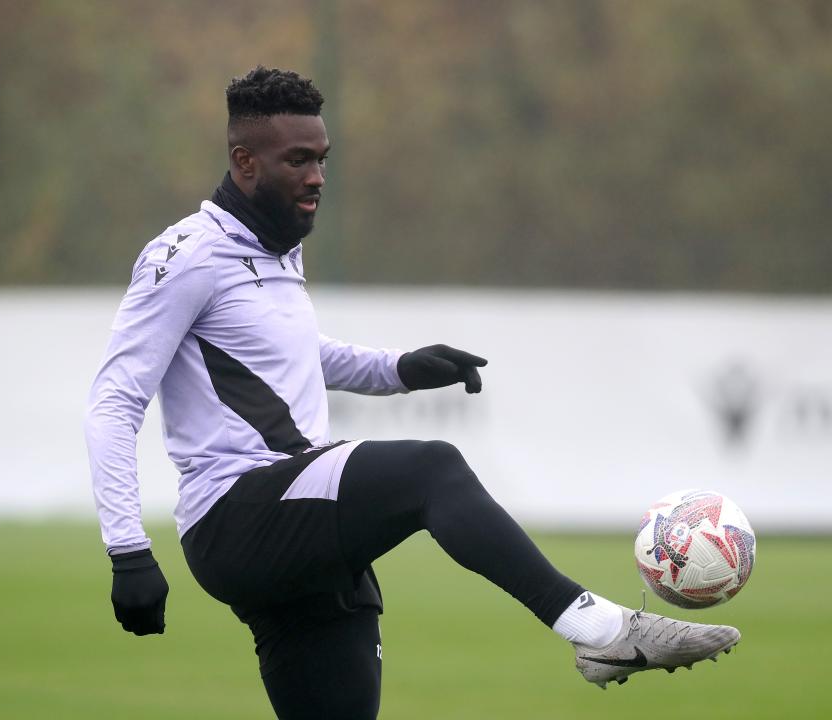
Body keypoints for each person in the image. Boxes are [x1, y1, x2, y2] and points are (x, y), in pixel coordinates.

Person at [85, 66, 740, 719]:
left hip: (299, 528)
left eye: (322, 159)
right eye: (298, 161)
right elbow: (115, 398)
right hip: (237, 514)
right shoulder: (185, 256)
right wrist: (127, 549)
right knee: (432, 469)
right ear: (244, 162)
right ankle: (599, 632)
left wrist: (401, 369)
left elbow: (289, 358)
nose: (316, 177)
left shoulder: (279, 243)